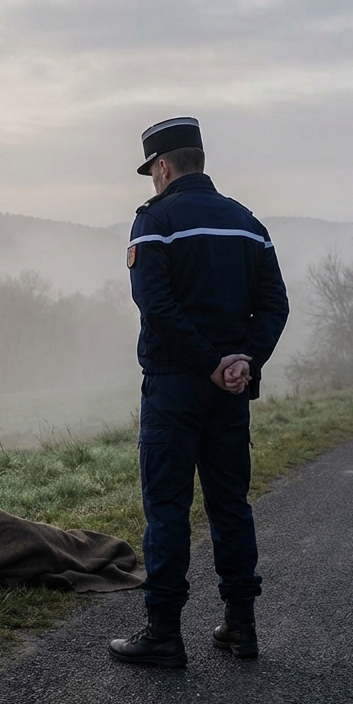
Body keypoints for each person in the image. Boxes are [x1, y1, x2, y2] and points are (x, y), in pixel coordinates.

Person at [108, 116, 289, 668]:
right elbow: (275, 305)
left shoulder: (153, 223)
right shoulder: (248, 224)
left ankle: (163, 633)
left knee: (167, 508)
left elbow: (157, 307)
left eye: (152, 172)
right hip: (231, 389)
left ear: (162, 167)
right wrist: (241, 362)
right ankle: (242, 627)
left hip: (174, 388)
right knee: (230, 504)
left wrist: (208, 363)